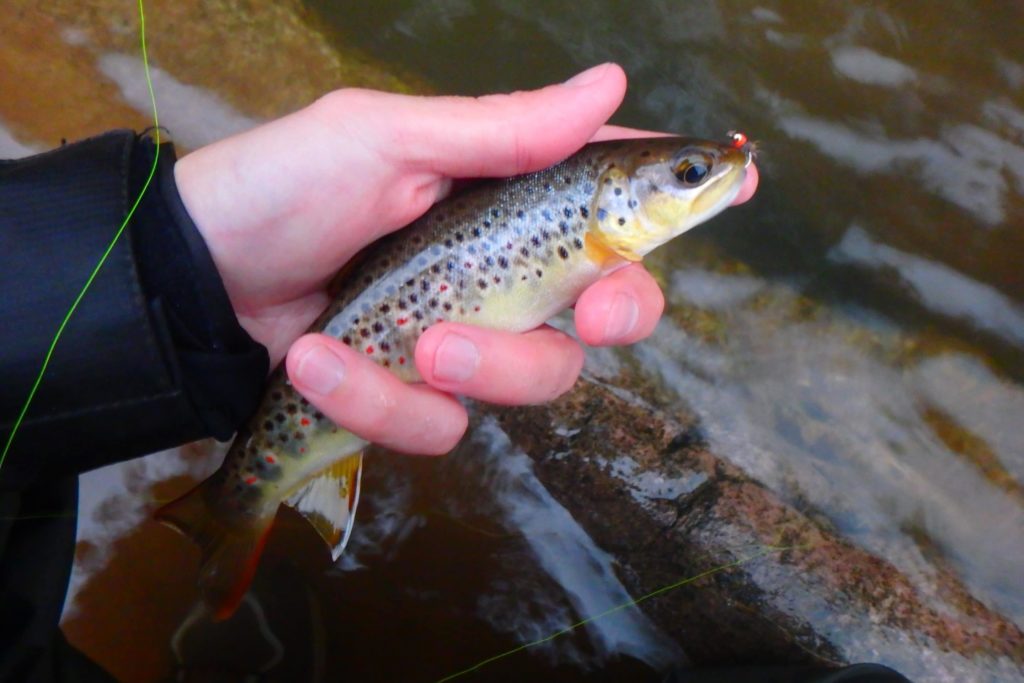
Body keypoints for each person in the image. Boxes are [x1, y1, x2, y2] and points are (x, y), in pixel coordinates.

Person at [0, 63, 903, 682]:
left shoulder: (601, 223)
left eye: (697, 169)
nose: (709, 177)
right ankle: (241, 519)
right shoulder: (589, 223)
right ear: (614, 203)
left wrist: (178, 255)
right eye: (690, 172)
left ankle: (242, 545)